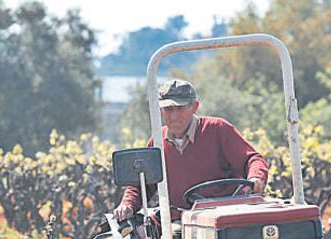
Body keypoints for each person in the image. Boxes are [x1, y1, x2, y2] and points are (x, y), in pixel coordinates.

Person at [115, 79, 269, 221]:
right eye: (168, 109)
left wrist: (256, 177)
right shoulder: (157, 141)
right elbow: (141, 183)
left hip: (222, 217)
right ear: (160, 111)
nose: (174, 116)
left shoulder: (218, 130)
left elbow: (252, 159)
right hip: (179, 221)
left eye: (180, 108)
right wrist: (127, 204)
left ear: (194, 107)